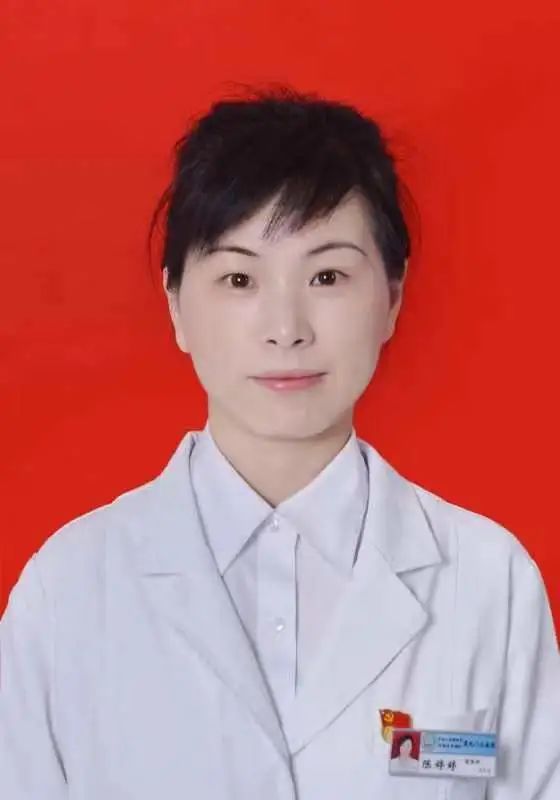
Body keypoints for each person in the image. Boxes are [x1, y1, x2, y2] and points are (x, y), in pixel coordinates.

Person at [1, 86, 559, 800]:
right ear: (176, 305)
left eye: (327, 276)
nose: (286, 328)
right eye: (239, 278)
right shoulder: (69, 590)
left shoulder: (488, 583)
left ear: (391, 297)